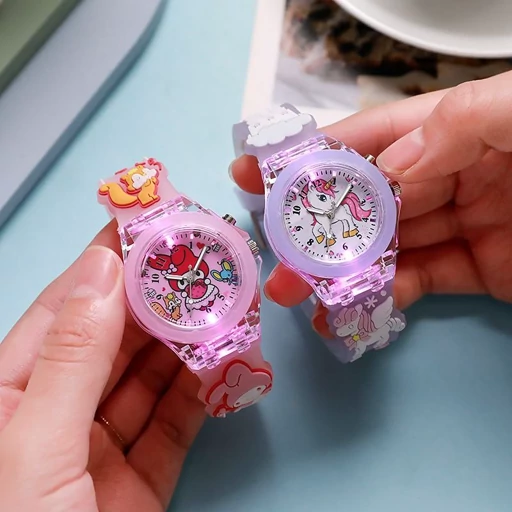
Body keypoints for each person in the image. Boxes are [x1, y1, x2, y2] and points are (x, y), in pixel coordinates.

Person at [0, 70, 511, 510]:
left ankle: (361, 333)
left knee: (342, 299)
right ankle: (343, 339)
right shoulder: (178, 253)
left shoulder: (354, 191)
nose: (190, 279)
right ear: (250, 241)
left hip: (359, 255)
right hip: (211, 330)